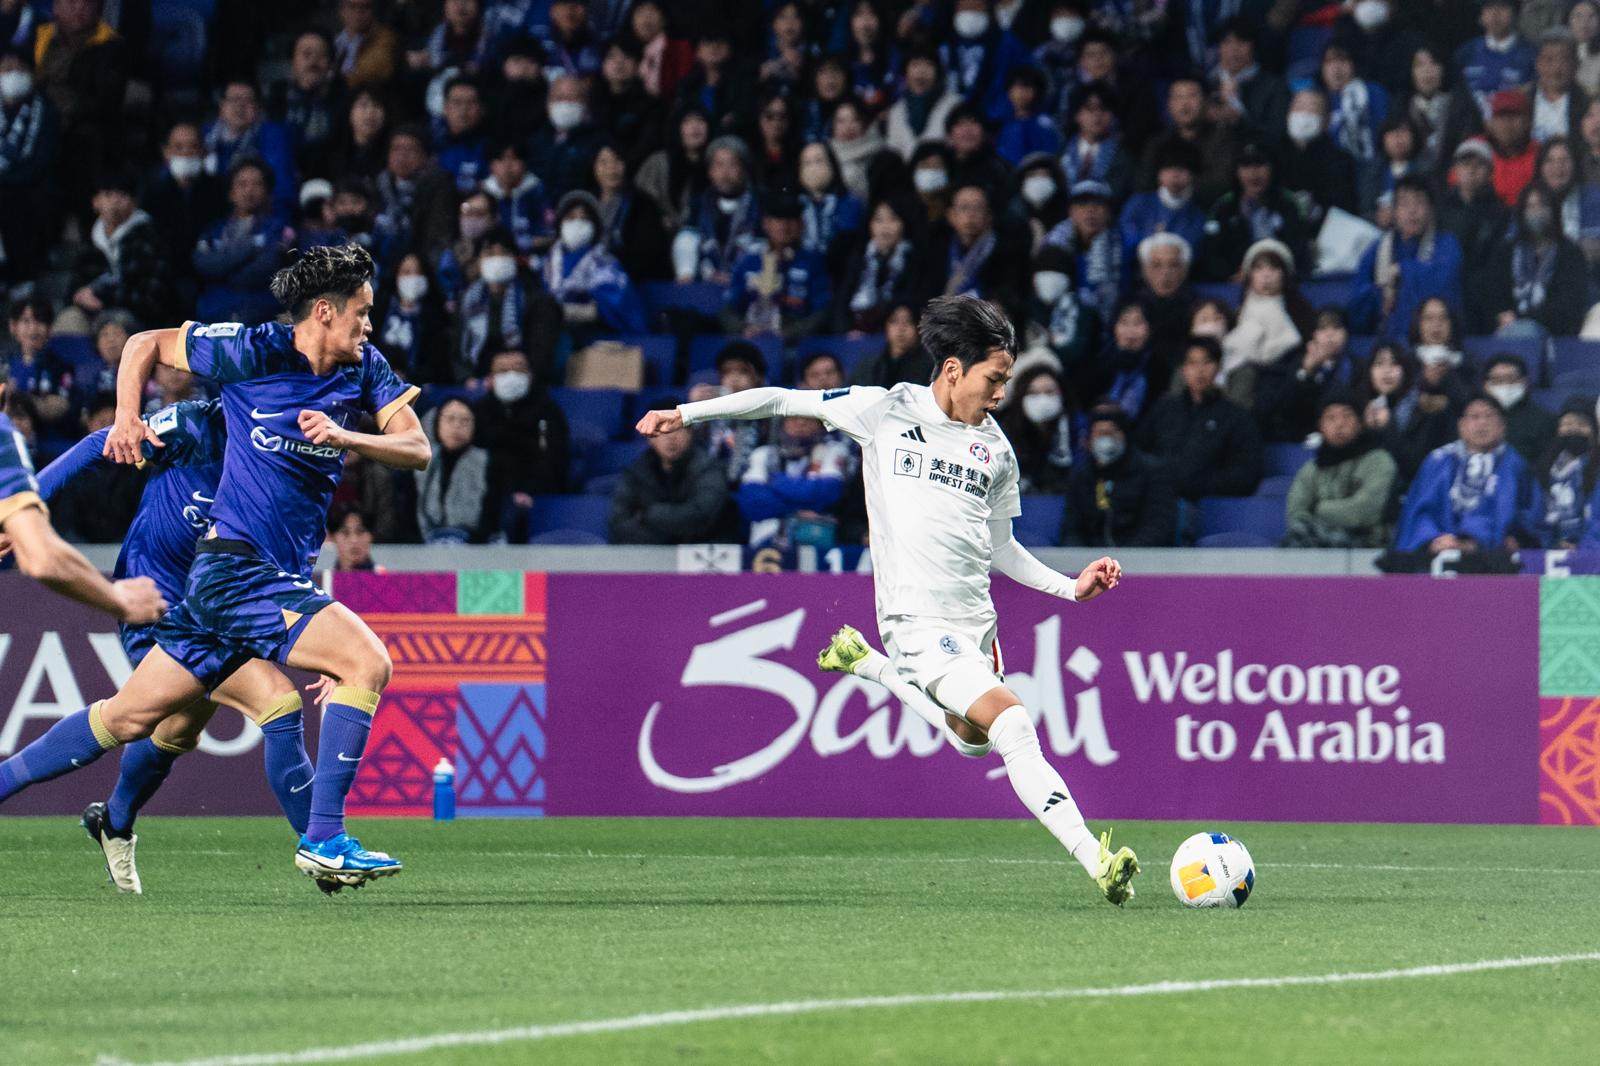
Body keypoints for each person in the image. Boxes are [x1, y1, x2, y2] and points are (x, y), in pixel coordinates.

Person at [637, 294, 1140, 906]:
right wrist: (685, 414)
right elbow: (778, 399)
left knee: (968, 738)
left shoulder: (997, 450)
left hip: (975, 623)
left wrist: (1071, 588)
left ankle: (867, 664)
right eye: (995, 378)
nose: (1002, 393)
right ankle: (1096, 857)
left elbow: (1001, 548)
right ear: (953, 369)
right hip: (916, 622)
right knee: (1011, 723)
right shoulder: (883, 409)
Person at [0, 244, 429, 889]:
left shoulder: (365, 367)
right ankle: (324, 839)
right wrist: (124, 419)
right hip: (238, 573)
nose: (371, 325)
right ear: (323, 312)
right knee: (366, 662)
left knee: (127, 719)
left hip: (233, 584)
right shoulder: (251, 352)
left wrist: (348, 437)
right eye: (362, 312)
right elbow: (145, 342)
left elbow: (417, 448)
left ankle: (80, 807)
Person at [30, 398, 319, 892]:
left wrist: (321, 651)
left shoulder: (284, 463)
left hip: (218, 615)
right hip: (156, 611)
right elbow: (101, 444)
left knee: (176, 730)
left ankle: (114, 821)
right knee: (278, 703)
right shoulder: (193, 425)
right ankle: (322, 844)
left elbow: (286, 565)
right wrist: (23, 510)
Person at [1394, 394, 1534, 557]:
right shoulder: (1438, 461)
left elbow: (1530, 515)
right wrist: (1433, 539)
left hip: (1495, 556)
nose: (1482, 423)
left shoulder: (1515, 465)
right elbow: (1420, 511)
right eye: (1474, 416)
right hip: (1435, 552)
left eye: (1489, 416)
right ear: (1461, 425)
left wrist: (1476, 541)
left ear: (1502, 426)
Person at [1137, 336, 1264, 505]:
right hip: (1157, 499)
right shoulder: (1164, 408)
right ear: (1183, 369)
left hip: (1208, 506)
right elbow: (1139, 450)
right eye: (1192, 363)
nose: (1200, 370)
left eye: (1207, 362)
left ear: (1218, 368)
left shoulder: (1237, 417)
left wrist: (1198, 484)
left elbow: (1246, 473)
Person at [474, 349, 571, 539]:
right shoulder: (478, 413)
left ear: (530, 376)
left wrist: (530, 491)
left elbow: (555, 459)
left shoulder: (548, 411)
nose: (511, 376)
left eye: (518, 370)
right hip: (488, 498)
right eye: (502, 371)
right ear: (490, 379)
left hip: (538, 498)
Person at [1350, 177, 1464, 339]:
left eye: (1419, 203)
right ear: (1394, 212)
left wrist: (1402, 271)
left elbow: (1445, 281)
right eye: (1404, 204)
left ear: (1431, 210)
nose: (1412, 211)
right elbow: (1358, 297)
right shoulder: (1378, 248)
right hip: (1387, 341)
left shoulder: (1447, 243)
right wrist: (1381, 292)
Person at [1283, 392, 1398, 548]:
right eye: (1331, 418)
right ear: (1321, 426)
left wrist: (1320, 508)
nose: (1339, 424)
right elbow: (1296, 514)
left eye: (1347, 416)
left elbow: (1365, 512)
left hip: (1367, 545)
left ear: (1360, 423)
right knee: (1296, 538)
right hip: (1315, 541)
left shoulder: (1379, 460)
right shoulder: (1311, 469)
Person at [1480, 183, 1592, 337]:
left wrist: (1522, 319)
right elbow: (1492, 292)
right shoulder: (1505, 251)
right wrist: (1502, 315)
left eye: (1542, 206)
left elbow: (1568, 304)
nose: (1536, 212)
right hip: (1506, 328)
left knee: (1524, 331)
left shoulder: (1570, 253)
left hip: (1555, 334)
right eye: (1530, 206)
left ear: (1554, 210)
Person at [1064, 403, 1176, 547]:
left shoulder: (1152, 472)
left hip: (1140, 558)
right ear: (1088, 440)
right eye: (1100, 433)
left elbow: (1158, 526)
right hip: (1091, 561)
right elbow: (1071, 528)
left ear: (1124, 436)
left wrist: (1125, 559)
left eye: (1111, 433)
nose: (1105, 440)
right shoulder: (1080, 476)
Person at [737, 415, 852, 549]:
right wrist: (803, 506)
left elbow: (828, 494)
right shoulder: (763, 454)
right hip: (764, 543)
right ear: (782, 423)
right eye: (793, 418)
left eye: (808, 418)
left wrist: (777, 482)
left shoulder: (833, 451)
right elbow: (752, 503)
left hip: (818, 542)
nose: (801, 423)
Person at [1525, 396, 1600, 547]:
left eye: (1582, 424)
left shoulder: (1596, 467)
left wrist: (1582, 547)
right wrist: (1551, 543)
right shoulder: (1545, 467)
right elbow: (1536, 517)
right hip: (1550, 548)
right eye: (1567, 423)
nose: (1574, 429)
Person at [415, 396, 493, 543]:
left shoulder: (488, 463)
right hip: (424, 548)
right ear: (437, 423)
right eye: (450, 419)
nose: (457, 426)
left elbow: (491, 516)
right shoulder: (421, 460)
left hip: (475, 549)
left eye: (465, 421)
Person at [996, 354, 1076, 494]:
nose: (1042, 399)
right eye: (1033, 392)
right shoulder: (1002, 434)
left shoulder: (1076, 429)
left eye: (1049, 391)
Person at [851, 303, 935, 388]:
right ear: (885, 326)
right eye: (894, 321)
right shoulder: (869, 366)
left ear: (918, 328)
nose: (901, 328)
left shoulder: (931, 367)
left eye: (909, 322)